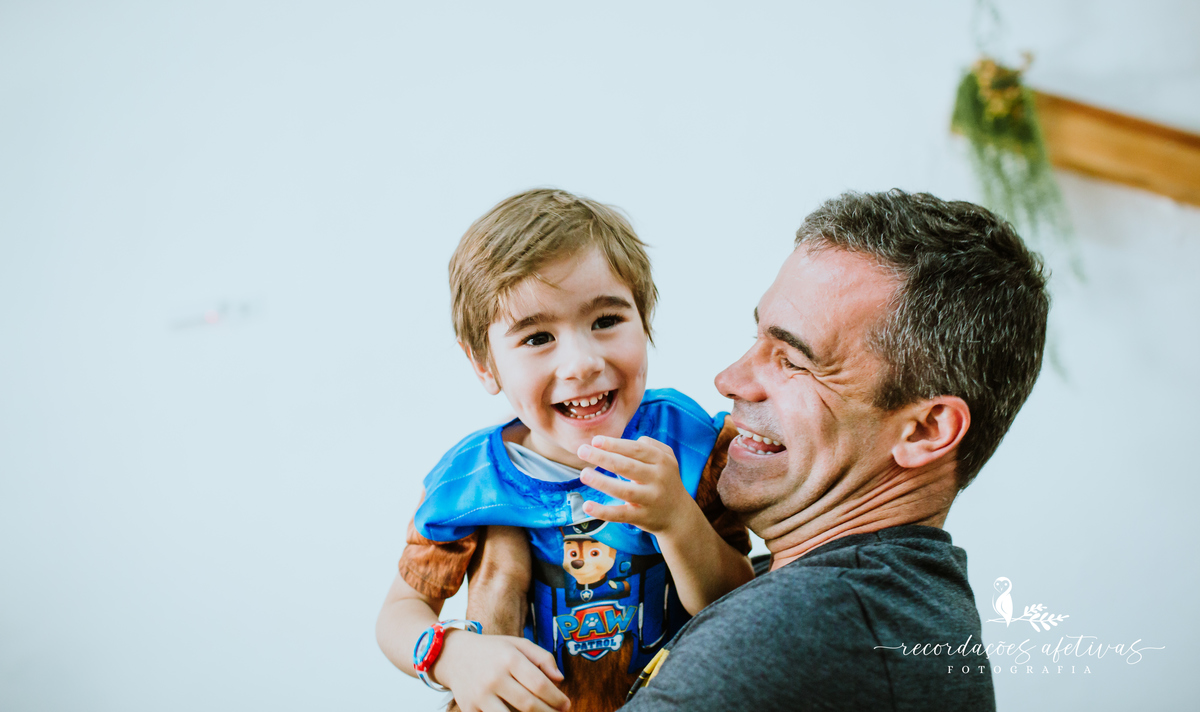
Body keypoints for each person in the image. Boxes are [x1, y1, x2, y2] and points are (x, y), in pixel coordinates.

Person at [613, 189, 1050, 711]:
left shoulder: (795, 629)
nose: (729, 380)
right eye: (756, 339)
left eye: (793, 360)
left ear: (925, 431)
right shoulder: (886, 602)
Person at [374, 189, 754, 712]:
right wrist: (453, 655)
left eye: (605, 322)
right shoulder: (472, 481)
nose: (581, 363)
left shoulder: (685, 442)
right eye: (536, 337)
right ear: (485, 365)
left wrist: (677, 521)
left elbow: (740, 601)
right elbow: (400, 612)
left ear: (644, 321)